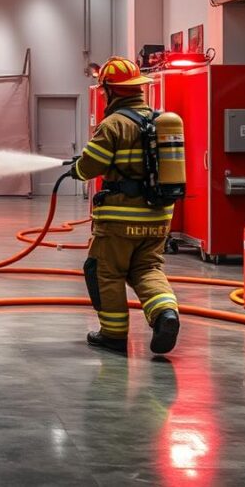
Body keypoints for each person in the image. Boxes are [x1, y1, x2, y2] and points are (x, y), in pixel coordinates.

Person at [69, 56, 180, 356]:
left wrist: (76, 169)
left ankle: (113, 334)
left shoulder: (114, 125)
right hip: (159, 217)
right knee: (147, 268)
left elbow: (91, 165)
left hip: (120, 219)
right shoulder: (159, 121)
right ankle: (165, 313)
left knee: (105, 271)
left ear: (112, 91)